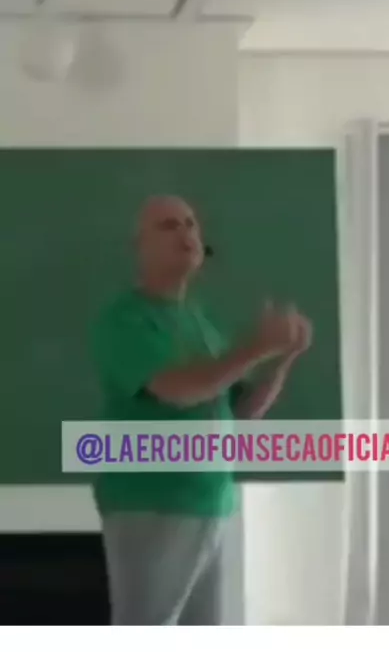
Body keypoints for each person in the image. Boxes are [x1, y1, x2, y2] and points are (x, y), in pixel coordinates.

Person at [91, 194, 312, 626]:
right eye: (168, 225)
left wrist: (285, 357)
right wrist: (256, 348)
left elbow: (243, 409)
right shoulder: (124, 320)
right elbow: (178, 390)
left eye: (190, 223)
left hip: (211, 504)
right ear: (139, 247)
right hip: (154, 504)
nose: (186, 232)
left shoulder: (200, 321)